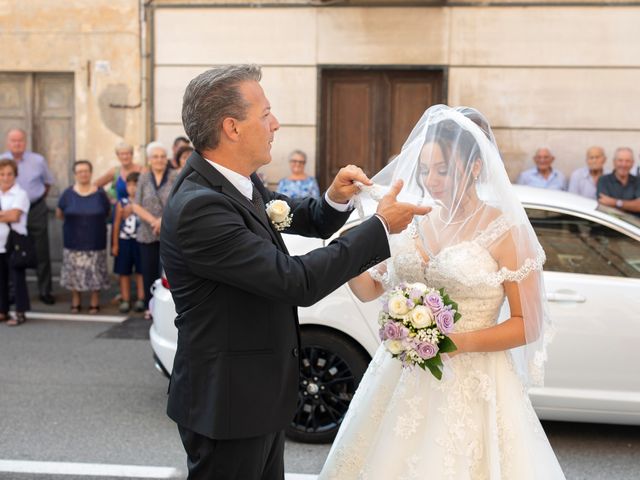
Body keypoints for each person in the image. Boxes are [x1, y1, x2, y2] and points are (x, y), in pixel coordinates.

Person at [159, 65, 428, 480]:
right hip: (227, 403)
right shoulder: (201, 206)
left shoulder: (233, 182)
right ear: (231, 127)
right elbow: (294, 281)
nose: (276, 124)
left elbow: (293, 216)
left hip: (255, 397)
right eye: (265, 114)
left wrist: (335, 199)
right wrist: (378, 227)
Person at [319, 105, 565, 479]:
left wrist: (450, 342)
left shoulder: (506, 231)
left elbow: (526, 324)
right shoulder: (414, 218)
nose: (431, 180)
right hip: (400, 375)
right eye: (424, 170)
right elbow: (370, 290)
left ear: (475, 167)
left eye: (442, 169)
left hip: (471, 381)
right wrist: (347, 253)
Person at [1, 128, 55, 305]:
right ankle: (11, 292)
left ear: (25, 142)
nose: (17, 144)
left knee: (41, 251)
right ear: (8, 142)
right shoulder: (2, 161)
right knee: (10, 251)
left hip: (35, 209)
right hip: (8, 210)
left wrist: (34, 199)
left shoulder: (38, 160)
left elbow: (47, 183)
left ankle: (45, 290)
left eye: (20, 140)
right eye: (14, 141)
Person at [56, 160, 111, 314]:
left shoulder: (100, 193)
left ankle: (94, 301)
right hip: (73, 240)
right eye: (80, 171)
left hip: (95, 239)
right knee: (74, 273)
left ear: (91, 173)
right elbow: (60, 213)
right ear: (75, 174)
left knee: (95, 273)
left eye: (86, 171)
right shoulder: (68, 194)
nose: (83, 174)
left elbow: (107, 212)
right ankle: (76, 300)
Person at [133, 142, 177, 320]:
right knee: (148, 271)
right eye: (155, 157)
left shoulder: (175, 176)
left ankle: (167, 308)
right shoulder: (144, 178)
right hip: (147, 232)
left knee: (167, 273)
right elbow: (136, 204)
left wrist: (162, 221)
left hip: (168, 232)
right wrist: (153, 221)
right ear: (149, 160)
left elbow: (178, 202)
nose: (159, 160)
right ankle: (149, 307)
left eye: (162, 157)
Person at [0, 159, 31, 326]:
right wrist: (4, 214)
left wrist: (7, 214)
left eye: (9, 174)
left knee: (17, 278)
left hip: (15, 243)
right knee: (1, 279)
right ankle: (2, 310)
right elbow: (8, 214)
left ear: (15, 175)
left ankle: (20, 312)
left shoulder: (20, 194)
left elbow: (14, 216)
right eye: (2, 174)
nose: (5, 178)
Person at [111, 172, 145, 314]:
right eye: (129, 185)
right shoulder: (122, 203)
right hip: (125, 241)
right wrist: (115, 244)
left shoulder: (144, 202)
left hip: (141, 240)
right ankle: (125, 299)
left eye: (136, 184)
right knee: (124, 271)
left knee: (141, 271)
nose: (132, 188)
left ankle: (141, 298)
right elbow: (117, 224)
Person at [597, 147, 640, 215]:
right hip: (611, 224)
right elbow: (603, 205)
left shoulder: (638, 181)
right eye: (620, 160)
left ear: (632, 163)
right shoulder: (604, 180)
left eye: (627, 161)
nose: (623, 164)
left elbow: (639, 206)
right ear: (614, 162)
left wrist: (615, 203)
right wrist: (631, 205)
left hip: (634, 225)